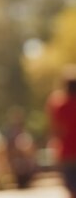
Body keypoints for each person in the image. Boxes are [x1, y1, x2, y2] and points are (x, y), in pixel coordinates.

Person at [47, 64, 76, 198]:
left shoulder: (58, 104)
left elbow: (56, 130)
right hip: (68, 153)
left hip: (67, 154)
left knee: (72, 190)